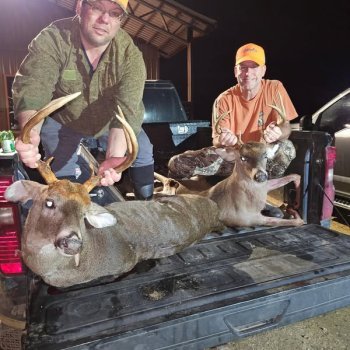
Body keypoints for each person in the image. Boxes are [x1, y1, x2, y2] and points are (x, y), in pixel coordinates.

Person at [13, 0, 154, 200]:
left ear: (121, 20)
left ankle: (147, 205)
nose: (105, 19)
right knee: (60, 170)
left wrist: (115, 156)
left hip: (107, 121)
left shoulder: (130, 56)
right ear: (80, 6)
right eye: (97, 7)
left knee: (143, 150)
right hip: (64, 120)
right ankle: (69, 217)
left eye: (114, 13)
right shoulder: (54, 39)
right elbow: (34, 86)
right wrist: (31, 134)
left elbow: (128, 110)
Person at [168, 42, 298, 180]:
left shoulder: (275, 88)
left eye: (254, 67)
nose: (248, 73)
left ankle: (263, 185)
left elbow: (285, 126)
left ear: (263, 70)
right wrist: (225, 140)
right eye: (243, 67)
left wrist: (278, 133)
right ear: (236, 71)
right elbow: (217, 140)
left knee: (287, 148)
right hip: (235, 157)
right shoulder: (224, 99)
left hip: (262, 158)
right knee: (177, 163)